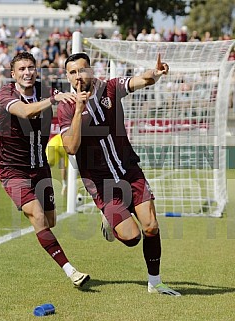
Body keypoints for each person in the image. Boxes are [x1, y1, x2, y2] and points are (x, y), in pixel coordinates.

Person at [57, 52, 181, 296]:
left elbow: (140, 80)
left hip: (129, 171)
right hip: (101, 184)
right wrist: (79, 108)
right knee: (132, 237)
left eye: (82, 70)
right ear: (67, 76)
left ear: (91, 70)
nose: (78, 76)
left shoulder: (110, 88)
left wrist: (154, 73)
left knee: (151, 227)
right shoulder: (66, 107)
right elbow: (70, 147)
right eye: (72, 72)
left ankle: (154, 283)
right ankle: (109, 218)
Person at [0, 52, 90, 287]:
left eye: (31, 68)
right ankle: (71, 272)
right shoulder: (7, 93)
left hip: (40, 168)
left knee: (50, 221)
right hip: (13, 170)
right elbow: (26, 112)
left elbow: (74, 87)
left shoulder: (46, 89)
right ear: (13, 74)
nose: (27, 72)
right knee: (38, 216)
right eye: (22, 69)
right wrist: (54, 100)